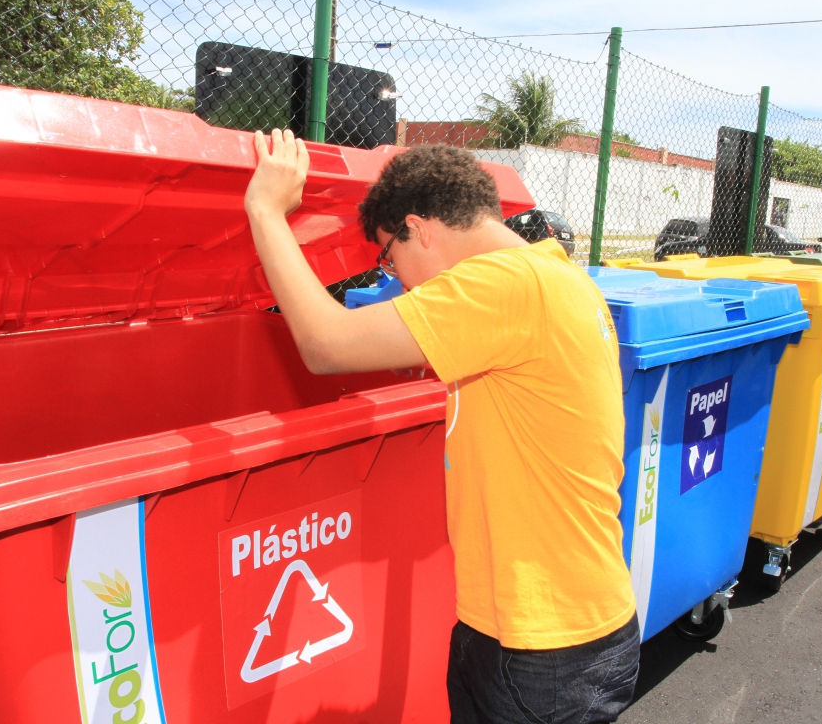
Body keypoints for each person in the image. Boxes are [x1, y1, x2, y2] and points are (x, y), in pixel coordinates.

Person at [243, 130, 640, 723]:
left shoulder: (505, 286)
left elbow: (323, 346)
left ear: (418, 229)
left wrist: (266, 210)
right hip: (540, 624)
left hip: (544, 643)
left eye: (388, 256)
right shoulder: (552, 276)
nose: (397, 277)